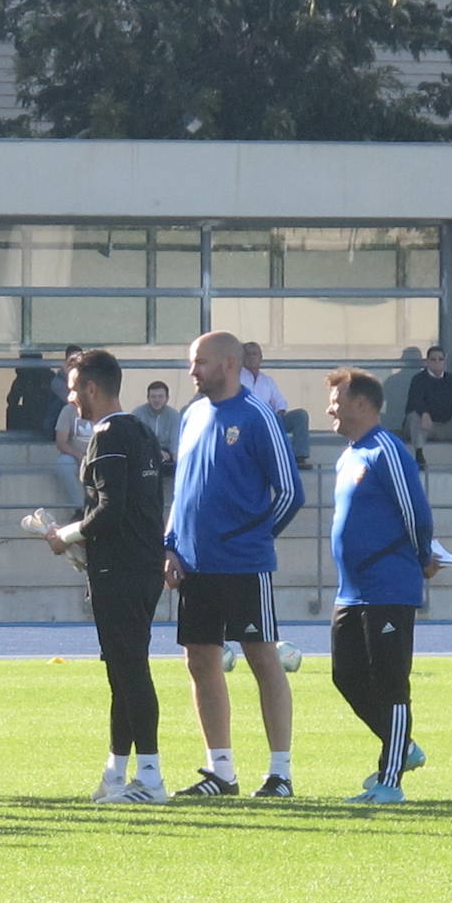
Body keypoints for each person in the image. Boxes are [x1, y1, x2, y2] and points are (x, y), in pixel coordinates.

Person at [165, 331, 303, 798]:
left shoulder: (257, 415)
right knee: (200, 659)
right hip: (194, 566)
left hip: (243, 565)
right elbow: (183, 491)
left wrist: (253, 539)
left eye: (199, 362)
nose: (192, 372)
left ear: (226, 363)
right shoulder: (192, 416)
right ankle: (221, 771)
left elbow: (289, 492)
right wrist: (170, 544)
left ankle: (280, 773)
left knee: (262, 657)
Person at [43, 349, 168, 804]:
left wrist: (67, 533)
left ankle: (151, 777)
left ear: (92, 388)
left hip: (121, 568)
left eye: (75, 388)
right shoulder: (141, 431)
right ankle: (116, 774)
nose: (72, 397)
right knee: (122, 669)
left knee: (130, 669)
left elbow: (110, 509)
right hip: (140, 563)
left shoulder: (109, 435)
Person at [326, 367, 437, 804]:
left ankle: (390, 781)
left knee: (391, 682)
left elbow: (416, 511)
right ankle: (404, 748)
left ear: (361, 403)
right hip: (351, 589)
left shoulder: (386, 449)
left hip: (388, 586)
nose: (329, 408)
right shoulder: (349, 454)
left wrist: (425, 555)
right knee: (346, 676)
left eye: (336, 399)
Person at [403, 346, 452, 471]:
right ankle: (419, 456)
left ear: (444, 362)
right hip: (427, 427)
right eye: (433, 359)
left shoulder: (451, 379)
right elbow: (415, 401)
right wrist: (424, 413)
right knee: (414, 416)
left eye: (440, 359)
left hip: (448, 426)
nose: (437, 362)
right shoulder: (418, 379)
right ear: (427, 362)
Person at [241, 341, 312, 470]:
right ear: (242, 358)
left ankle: (299, 457)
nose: (251, 357)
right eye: (248, 354)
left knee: (300, 415)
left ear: (260, 358)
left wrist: (280, 412)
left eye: (254, 354)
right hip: (248, 424)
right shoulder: (236, 379)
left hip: (270, 422)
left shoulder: (267, 381)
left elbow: (279, 401)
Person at [54, 394, 94, 517]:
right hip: (74, 455)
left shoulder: (101, 409)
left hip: (96, 455)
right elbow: (61, 442)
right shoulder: (68, 410)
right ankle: (79, 509)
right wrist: (79, 456)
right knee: (63, 464)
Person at [131, 380, 180, 472]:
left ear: (167, 398)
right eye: (153, 397)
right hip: (144, 457)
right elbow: (135, 443)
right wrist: (156, 452)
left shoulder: (174, 415)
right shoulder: (137, 414)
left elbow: (175, 446)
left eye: (160, 396)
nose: (157, 400)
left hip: (167, 458)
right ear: (148, 398)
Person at [5, 351, 57, 434]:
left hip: (46, 416)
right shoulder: (23, 378)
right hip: (31, 415)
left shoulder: (48, 377)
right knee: (12, 410)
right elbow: (11, 400)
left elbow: (11, 400)